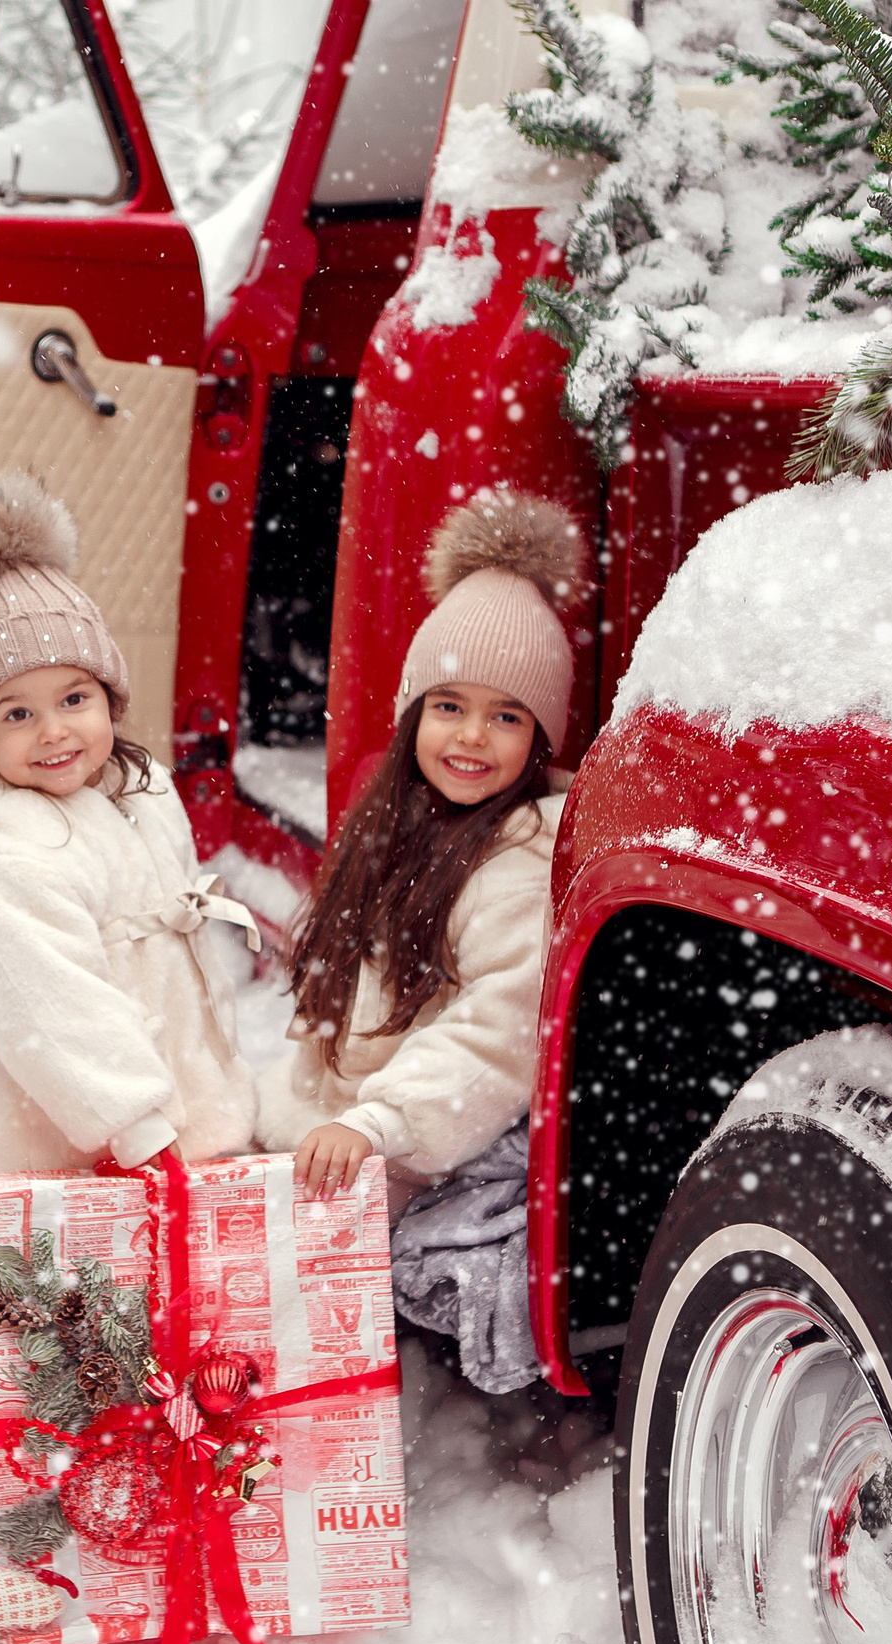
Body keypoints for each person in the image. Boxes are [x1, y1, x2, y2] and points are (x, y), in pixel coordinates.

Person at [257, 485, 589, 1391]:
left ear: (541, 734)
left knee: (267, 1290)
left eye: (507, 715)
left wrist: (373, 1123)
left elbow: (495, 1034)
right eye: (449, 705)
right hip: (363, 1122)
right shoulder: (398, 823)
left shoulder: (516, 858)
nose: (472, 736)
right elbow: (343, 1007)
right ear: (413, 712)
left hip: (425, 1139)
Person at [0, 471, 257, 1174]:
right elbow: (49, 1004)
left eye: (74, 698)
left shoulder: (142, 790)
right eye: (17, 713)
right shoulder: (1, 849)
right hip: (67, 1150)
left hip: (168, 1126)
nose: (53, 731)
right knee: (79, 1253)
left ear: (110, 696)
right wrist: (133, 1124)